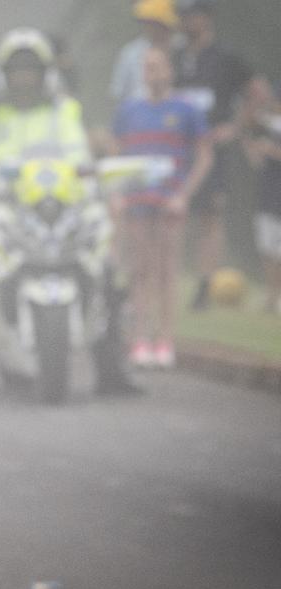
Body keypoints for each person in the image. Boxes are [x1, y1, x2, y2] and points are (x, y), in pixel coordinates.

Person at [0, 28, 134, 397]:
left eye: (32, 70)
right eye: (17, 70)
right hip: (4, 204)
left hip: (58, 205)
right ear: (3, 73)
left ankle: (111, 370)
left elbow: (79, 157)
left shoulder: (64, 109)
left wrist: (89, 183)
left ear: (46, 73)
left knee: (107, 269)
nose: (24, 77)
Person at [113, 47, 211, 370]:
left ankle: (165, 339)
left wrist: (184, 194)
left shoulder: (186, 109)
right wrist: (117, 193)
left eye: (157, 66)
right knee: (140, 268)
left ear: (169, 70)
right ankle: (140, 337)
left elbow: (204, 156)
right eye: (147, 67)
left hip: (170, 200)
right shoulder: (129, 110)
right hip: (138, 199)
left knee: (167, 269)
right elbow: (117, 156)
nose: (152, 72)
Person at [174, 0, 254, 311]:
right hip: (178, 150)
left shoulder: (225, 58)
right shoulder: (176, 57)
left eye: (192, 16)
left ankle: (205, 284)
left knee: (210, 216)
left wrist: (234, 127)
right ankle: (173, 277)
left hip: (212, 152)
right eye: (183, 16)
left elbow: (255, 92)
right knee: (177, 216)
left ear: (207, 18)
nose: (187, 22)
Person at [240, 76, 281, 315]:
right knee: (267, 247)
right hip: (268, 193)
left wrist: (271, 150)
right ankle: (271, 294)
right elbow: (248, 125)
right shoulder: (268, 125)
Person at [110, 0, 178, 105]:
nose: (150, 27)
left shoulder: (181, 50)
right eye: (147, 22)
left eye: (153, 22)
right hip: (137, 116)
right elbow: (118, 92)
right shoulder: (131, 53)